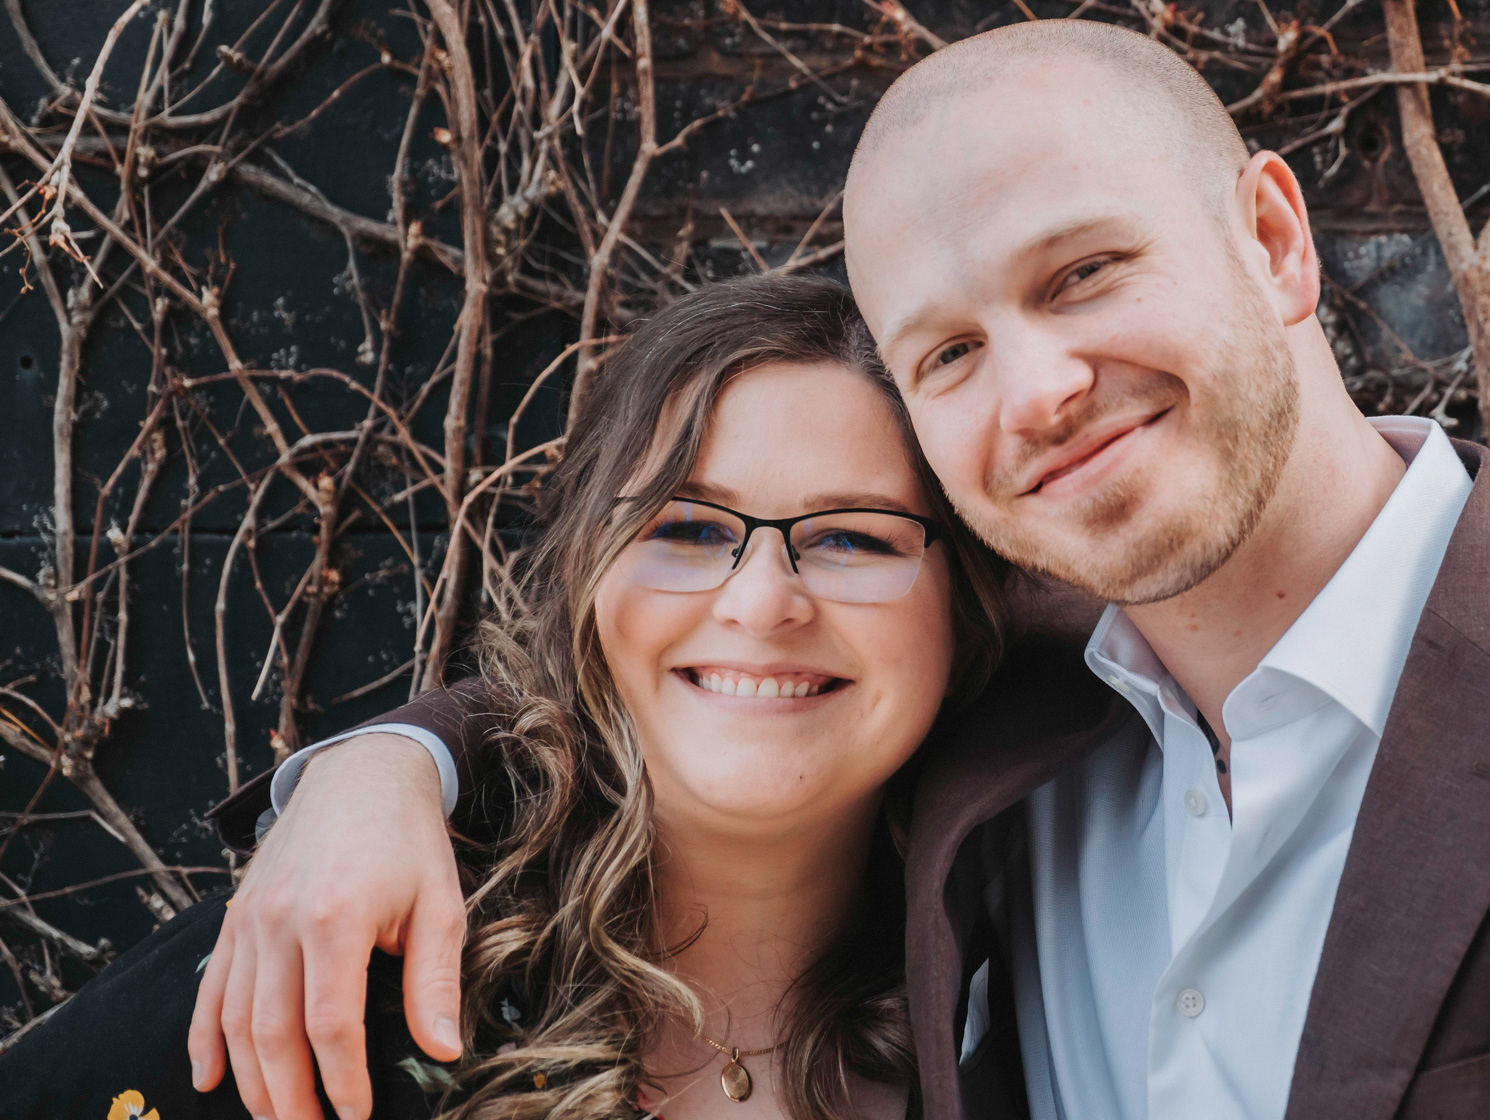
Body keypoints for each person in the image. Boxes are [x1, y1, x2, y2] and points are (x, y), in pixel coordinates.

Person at [190, 21, 1490, 1120]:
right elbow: (707, 664)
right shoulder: (1007, 700)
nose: (1036, 392)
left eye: (1083, 272)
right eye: (947, 352)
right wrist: (382, 768)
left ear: (1271, 238)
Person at [0, 272, 1021, 1120]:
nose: (761, 604)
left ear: (970, 604)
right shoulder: (347, 971)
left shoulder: (1025, 989)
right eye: (686, 527)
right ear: (584, 580)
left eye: (852, 538)